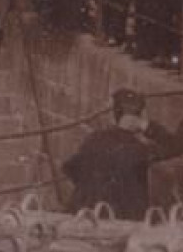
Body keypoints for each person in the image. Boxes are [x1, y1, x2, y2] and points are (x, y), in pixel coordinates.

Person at [62, 89, 172, 220]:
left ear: (113, 114)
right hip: (124, 219)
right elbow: (172, 145)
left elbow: (69, 168)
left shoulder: (93, 139)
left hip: (86, 215)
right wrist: (147, 126)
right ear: (141, 115)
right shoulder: (142, 150)